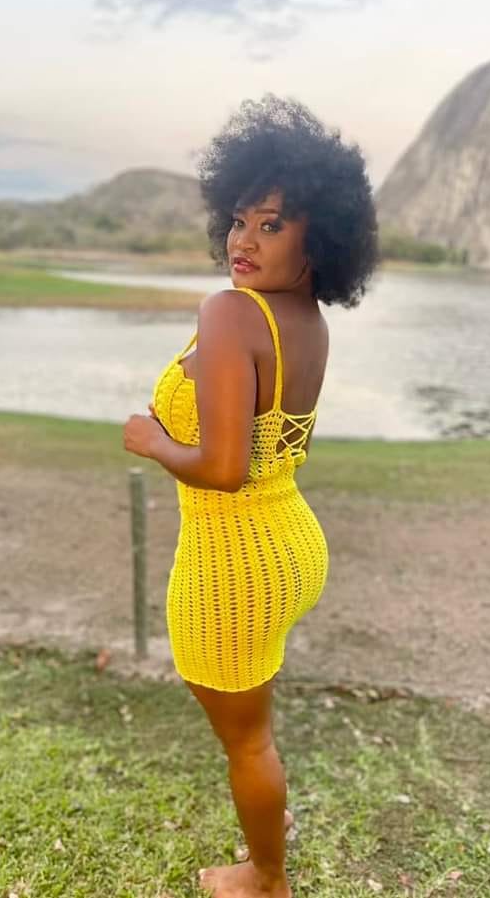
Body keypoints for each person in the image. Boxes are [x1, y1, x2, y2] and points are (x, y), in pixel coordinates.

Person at [123, 93, 378, 898]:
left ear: (318, 236)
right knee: (250, 730)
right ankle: (270, 818)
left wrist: (153, 439)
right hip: (290, 542)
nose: (244, 240)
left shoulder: (232, 313)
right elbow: (274, 443)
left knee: (247, 742)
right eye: (239, 220)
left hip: (232, 558)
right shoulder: (305, 319)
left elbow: (225, 467)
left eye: (272, 224)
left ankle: (266, 876)